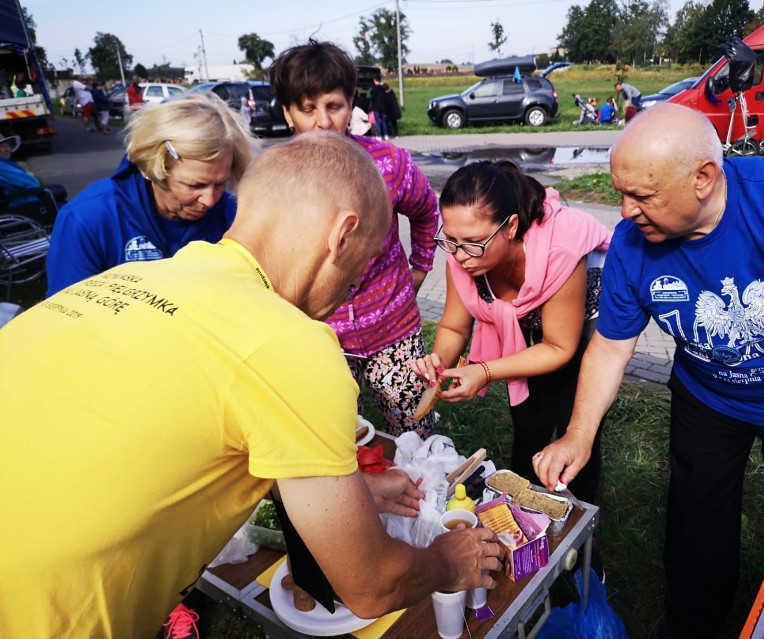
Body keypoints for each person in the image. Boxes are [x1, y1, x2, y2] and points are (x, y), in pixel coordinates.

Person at [0, 131, 503, 638]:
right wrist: (446, 559)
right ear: (341, 235)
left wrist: (355, 493)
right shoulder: (292, 345)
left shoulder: (125, 279)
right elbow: (369, 585)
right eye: (358, 269)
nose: (348, 290)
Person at [533, 103, 764, 639]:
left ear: (703, 177)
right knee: (697, 527)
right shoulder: (634, 246)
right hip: (709, 400)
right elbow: (611, 347)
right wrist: (578, 434)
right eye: (620, 192)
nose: (626, 211)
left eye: (643, 195)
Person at [409, 161, 611, 501]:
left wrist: (485, 371)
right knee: (529, 418)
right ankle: (522, 503)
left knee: (573, 422)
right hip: (535, 324)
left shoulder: (560, 249)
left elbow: (560, 347)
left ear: (511, 226)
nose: (459, 255)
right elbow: (454, 325)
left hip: (583, 323)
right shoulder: (463, 252)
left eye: (473, 242)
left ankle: (578, 523)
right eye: (451, 241)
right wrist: (439, 363)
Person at [269, 40, 440, 437]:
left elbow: (426, 213)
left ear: (351, 104)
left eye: (334, 106)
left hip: (394, 328)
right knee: (336, 438)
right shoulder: (276, 181)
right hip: (320, 338)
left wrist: (420, 269)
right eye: (307, 109)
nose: (323, 122)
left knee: (417, 430)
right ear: (288, 112)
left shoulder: (390, 164)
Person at [46, 92, 257, 296]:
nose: (210, 200)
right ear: (150, 169)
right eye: (194, 185)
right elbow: (67, 317)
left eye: (221, 184)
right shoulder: (88, 220)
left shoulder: (233, 213)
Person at [0, 127, 67, 215]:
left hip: (18, 197)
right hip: (22, 201)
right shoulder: (2, 166)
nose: (8, 149)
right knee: (60, 192)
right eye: (3, 147)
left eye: (8, 145)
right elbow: (32, 183)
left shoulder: (4, 163)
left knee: (58, 189)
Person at [370, 75, 389, 141]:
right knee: (383, 121)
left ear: (374, 80)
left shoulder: (374, 88)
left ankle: (379, 136)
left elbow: (372, 98)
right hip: (383, 107)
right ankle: (386, 135)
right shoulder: (383, 88)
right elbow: (385, 98)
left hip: (376, 107)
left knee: (377, 122)